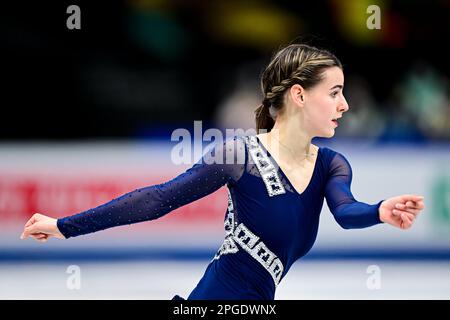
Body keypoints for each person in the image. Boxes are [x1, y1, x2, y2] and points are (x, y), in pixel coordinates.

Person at [20, 44, 425, 300]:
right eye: (335, 92)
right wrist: (64, 225)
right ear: (299, 96)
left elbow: (346, 212)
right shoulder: (239, 156)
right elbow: (159, 199)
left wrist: (380, 211)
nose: (345, 106)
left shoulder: (331, 164)